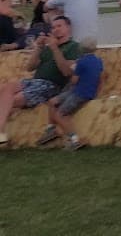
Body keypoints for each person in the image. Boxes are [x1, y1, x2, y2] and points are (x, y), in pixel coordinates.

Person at [0, 15, 81, 145]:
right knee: (6, 88)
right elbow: (30, 67)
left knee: (13, 99)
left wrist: (55, 49)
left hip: (51, 86)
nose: (55, 29)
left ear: (68, 28)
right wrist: (38, 47)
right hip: (34, 81)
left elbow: (66, 71)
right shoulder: (47, 47)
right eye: (53, 27)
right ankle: (1, 131)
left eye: (59, 26)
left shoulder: (74, 46)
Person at [45, 37, 102, 150]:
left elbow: (74, 80)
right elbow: (101, 79)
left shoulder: (81, 62)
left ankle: (74, 140)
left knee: (60, 114)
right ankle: (50, 130)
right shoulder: (98, 61)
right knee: (52, 102)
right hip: (83, 92)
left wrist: (73, 71)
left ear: (81, 49)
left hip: (79, 93)